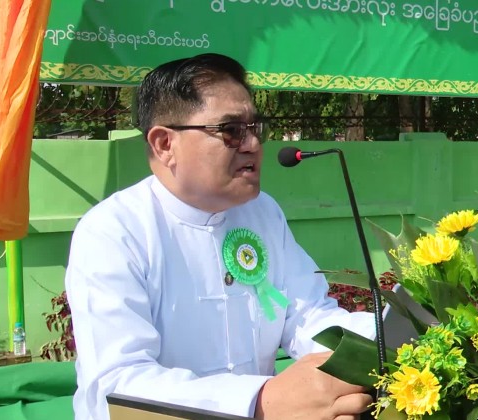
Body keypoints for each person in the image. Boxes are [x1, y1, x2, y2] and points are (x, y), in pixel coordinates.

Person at [64, 53, 376, 420]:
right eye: (231, 130)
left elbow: (308, 318)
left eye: (256, 127)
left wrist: (396, 336)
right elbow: (119, 384)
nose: (253, 144)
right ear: (165, 144)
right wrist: (258, 402)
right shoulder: (114, 232)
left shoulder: (262, 213)